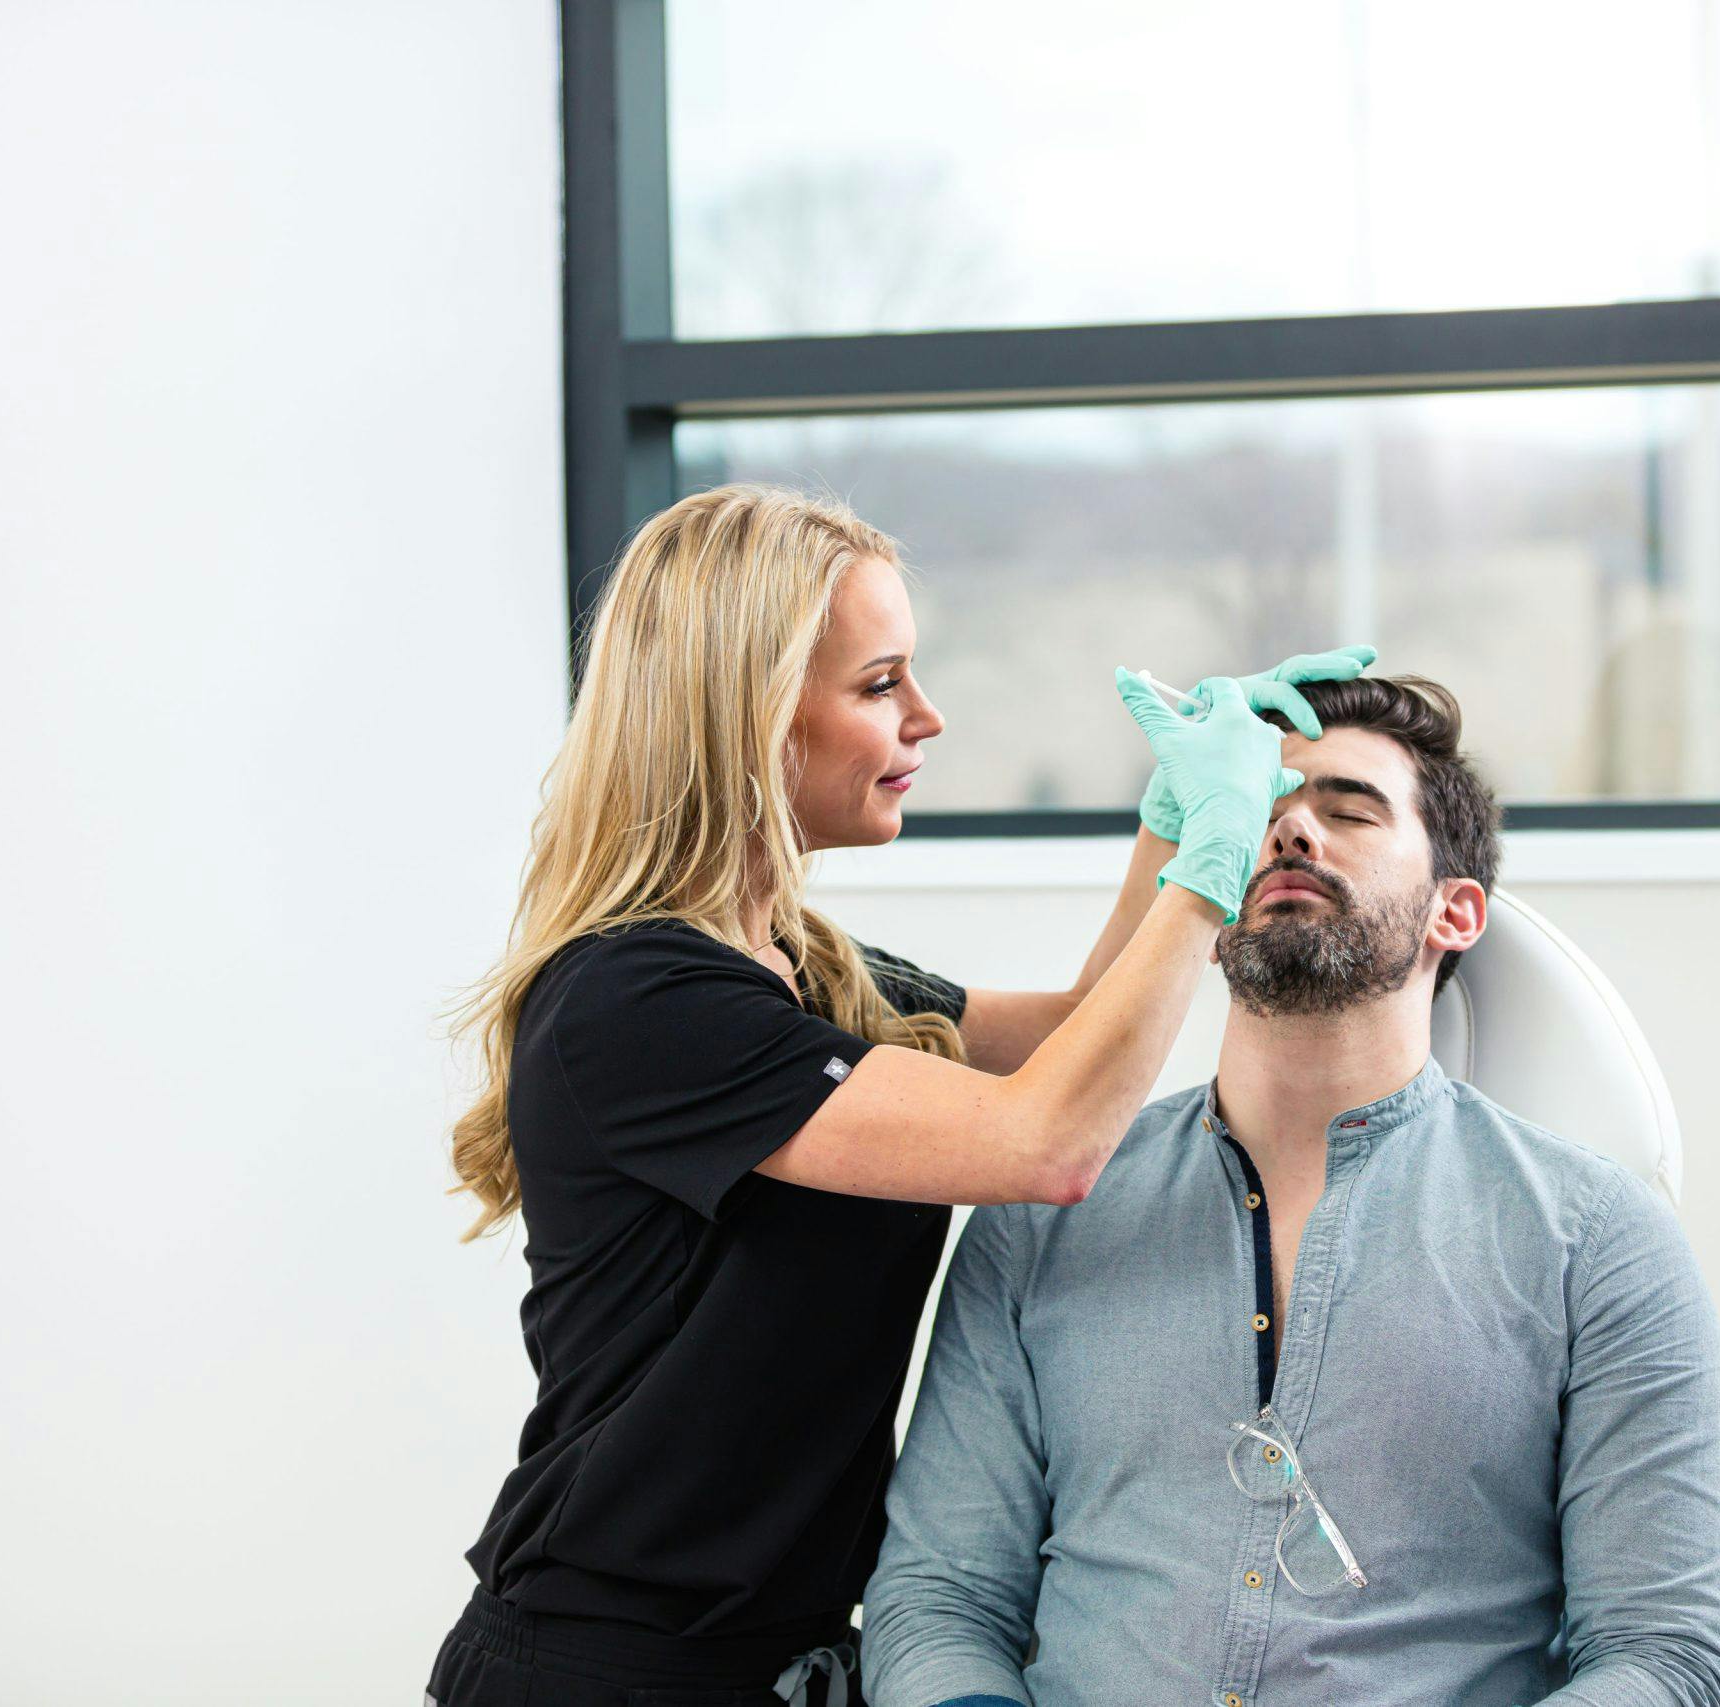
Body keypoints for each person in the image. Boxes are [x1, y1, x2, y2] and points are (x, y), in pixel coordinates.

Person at [424, 481, 1376, 1707]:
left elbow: (1073, 1037)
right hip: (611, 1668)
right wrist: (1209, 868)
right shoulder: (637, 1001)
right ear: (753, 719)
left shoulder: (812, 969)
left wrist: (1174, 820)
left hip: (791, 1659)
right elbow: (1049, 1143)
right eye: (880, 686)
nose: (926, 718)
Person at [860, 675, 1720, 1707]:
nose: (1289, 834)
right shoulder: (1037, 1216)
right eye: (1259, 812)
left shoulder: (1597, 1241)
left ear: (1454, 911)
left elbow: (1664, 1653)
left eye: (1347, 808)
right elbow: (940, 1601)